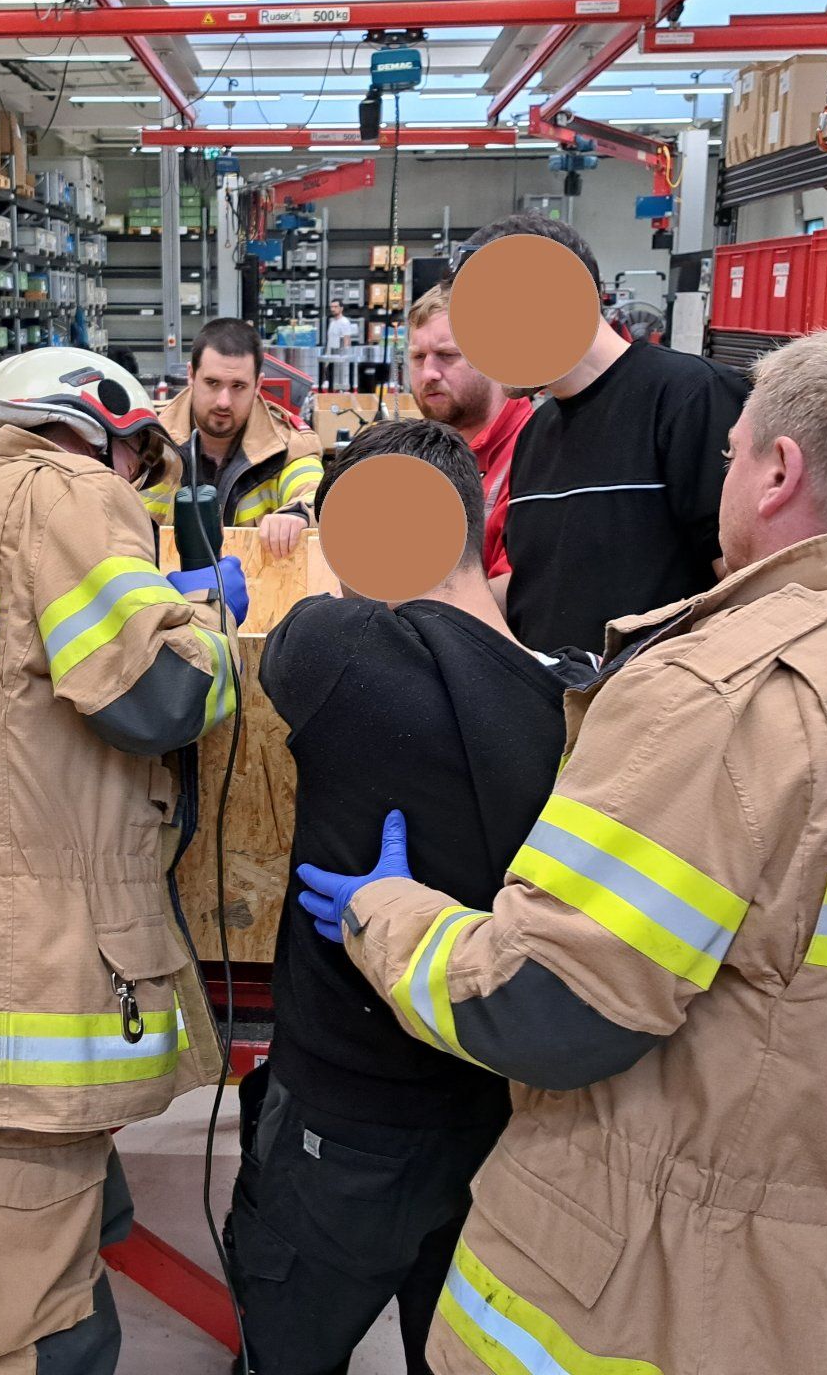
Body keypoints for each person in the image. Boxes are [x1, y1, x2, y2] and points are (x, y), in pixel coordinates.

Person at [299, 323, 827, 1375]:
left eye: (735, 452)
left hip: (679, 1294)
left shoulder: (727, 693)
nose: (723, 473)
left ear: (779, 471)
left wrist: (391, 919)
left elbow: (544, 1006)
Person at [0, 346, 244, 1375]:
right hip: (23, 981)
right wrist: (219, 633)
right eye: (133, 461)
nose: (131, 485)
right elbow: (152, 697)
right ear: (97, 426)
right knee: (34, 1332)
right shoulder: (61, 487)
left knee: (15, 1275)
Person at [227, 418, 583, 1375]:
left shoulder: (341, 652)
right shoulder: (573, 703)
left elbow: (293, 635)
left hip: (343, 1123)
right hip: (497, 1115)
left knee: (287, 1350)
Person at [479, 213, 747, 653]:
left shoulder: (691, 398)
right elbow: (542, 588)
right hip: (558, 707)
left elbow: (745, 582)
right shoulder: (537, 433)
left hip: (654, 709)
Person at [148, 317, 323, 559]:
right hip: (160, 594)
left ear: (258, 384)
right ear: (191, 375)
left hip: (257, 593)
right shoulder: (147, 441)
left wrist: (298, 514)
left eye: (238, 386)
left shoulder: (288, 448)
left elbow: (319, 495)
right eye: (212, 383)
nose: (223, 401)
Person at [406, 281, 530, 579]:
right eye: (417, 357)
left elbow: (516, 598)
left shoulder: (532, 457)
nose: (429, 374)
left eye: (447, 355)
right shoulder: (421, 454)